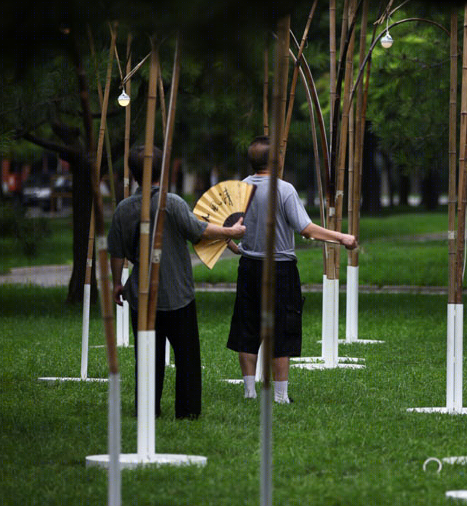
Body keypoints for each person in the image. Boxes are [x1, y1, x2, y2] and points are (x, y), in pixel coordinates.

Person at [108, 145, 246, 419]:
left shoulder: (124, 209)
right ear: (164, 169)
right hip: (178, 293)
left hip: (142, 296)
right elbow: (199, 231)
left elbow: (116, 252)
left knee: (147, 358)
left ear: (133, 174)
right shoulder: (172, 203)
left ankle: (147, 409)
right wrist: (231, 231)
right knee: (187, 358)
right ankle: (188, 411)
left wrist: (117, 283)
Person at [226, 135, 356, 403]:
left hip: (249, 266)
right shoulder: (284, 189)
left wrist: (233, 247)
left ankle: (249, 391)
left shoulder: (239, 189)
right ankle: (281, 396)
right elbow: (305, 228)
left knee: (247, 327)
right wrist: (341, 237)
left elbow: (220, 226)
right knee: (282, 329)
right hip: (280, 269)